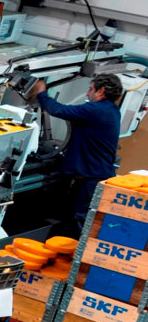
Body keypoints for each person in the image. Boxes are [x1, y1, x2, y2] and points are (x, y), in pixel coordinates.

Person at [31, 72, 123, 229]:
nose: (88, 93)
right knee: (73, 218)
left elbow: (58, 110)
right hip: (92, 175)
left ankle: (78, 253)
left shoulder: (95, 110)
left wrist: (41, 92)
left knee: (82, 221)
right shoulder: (112, 110)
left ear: (100, 91)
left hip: (91, 179)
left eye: (91, 89)